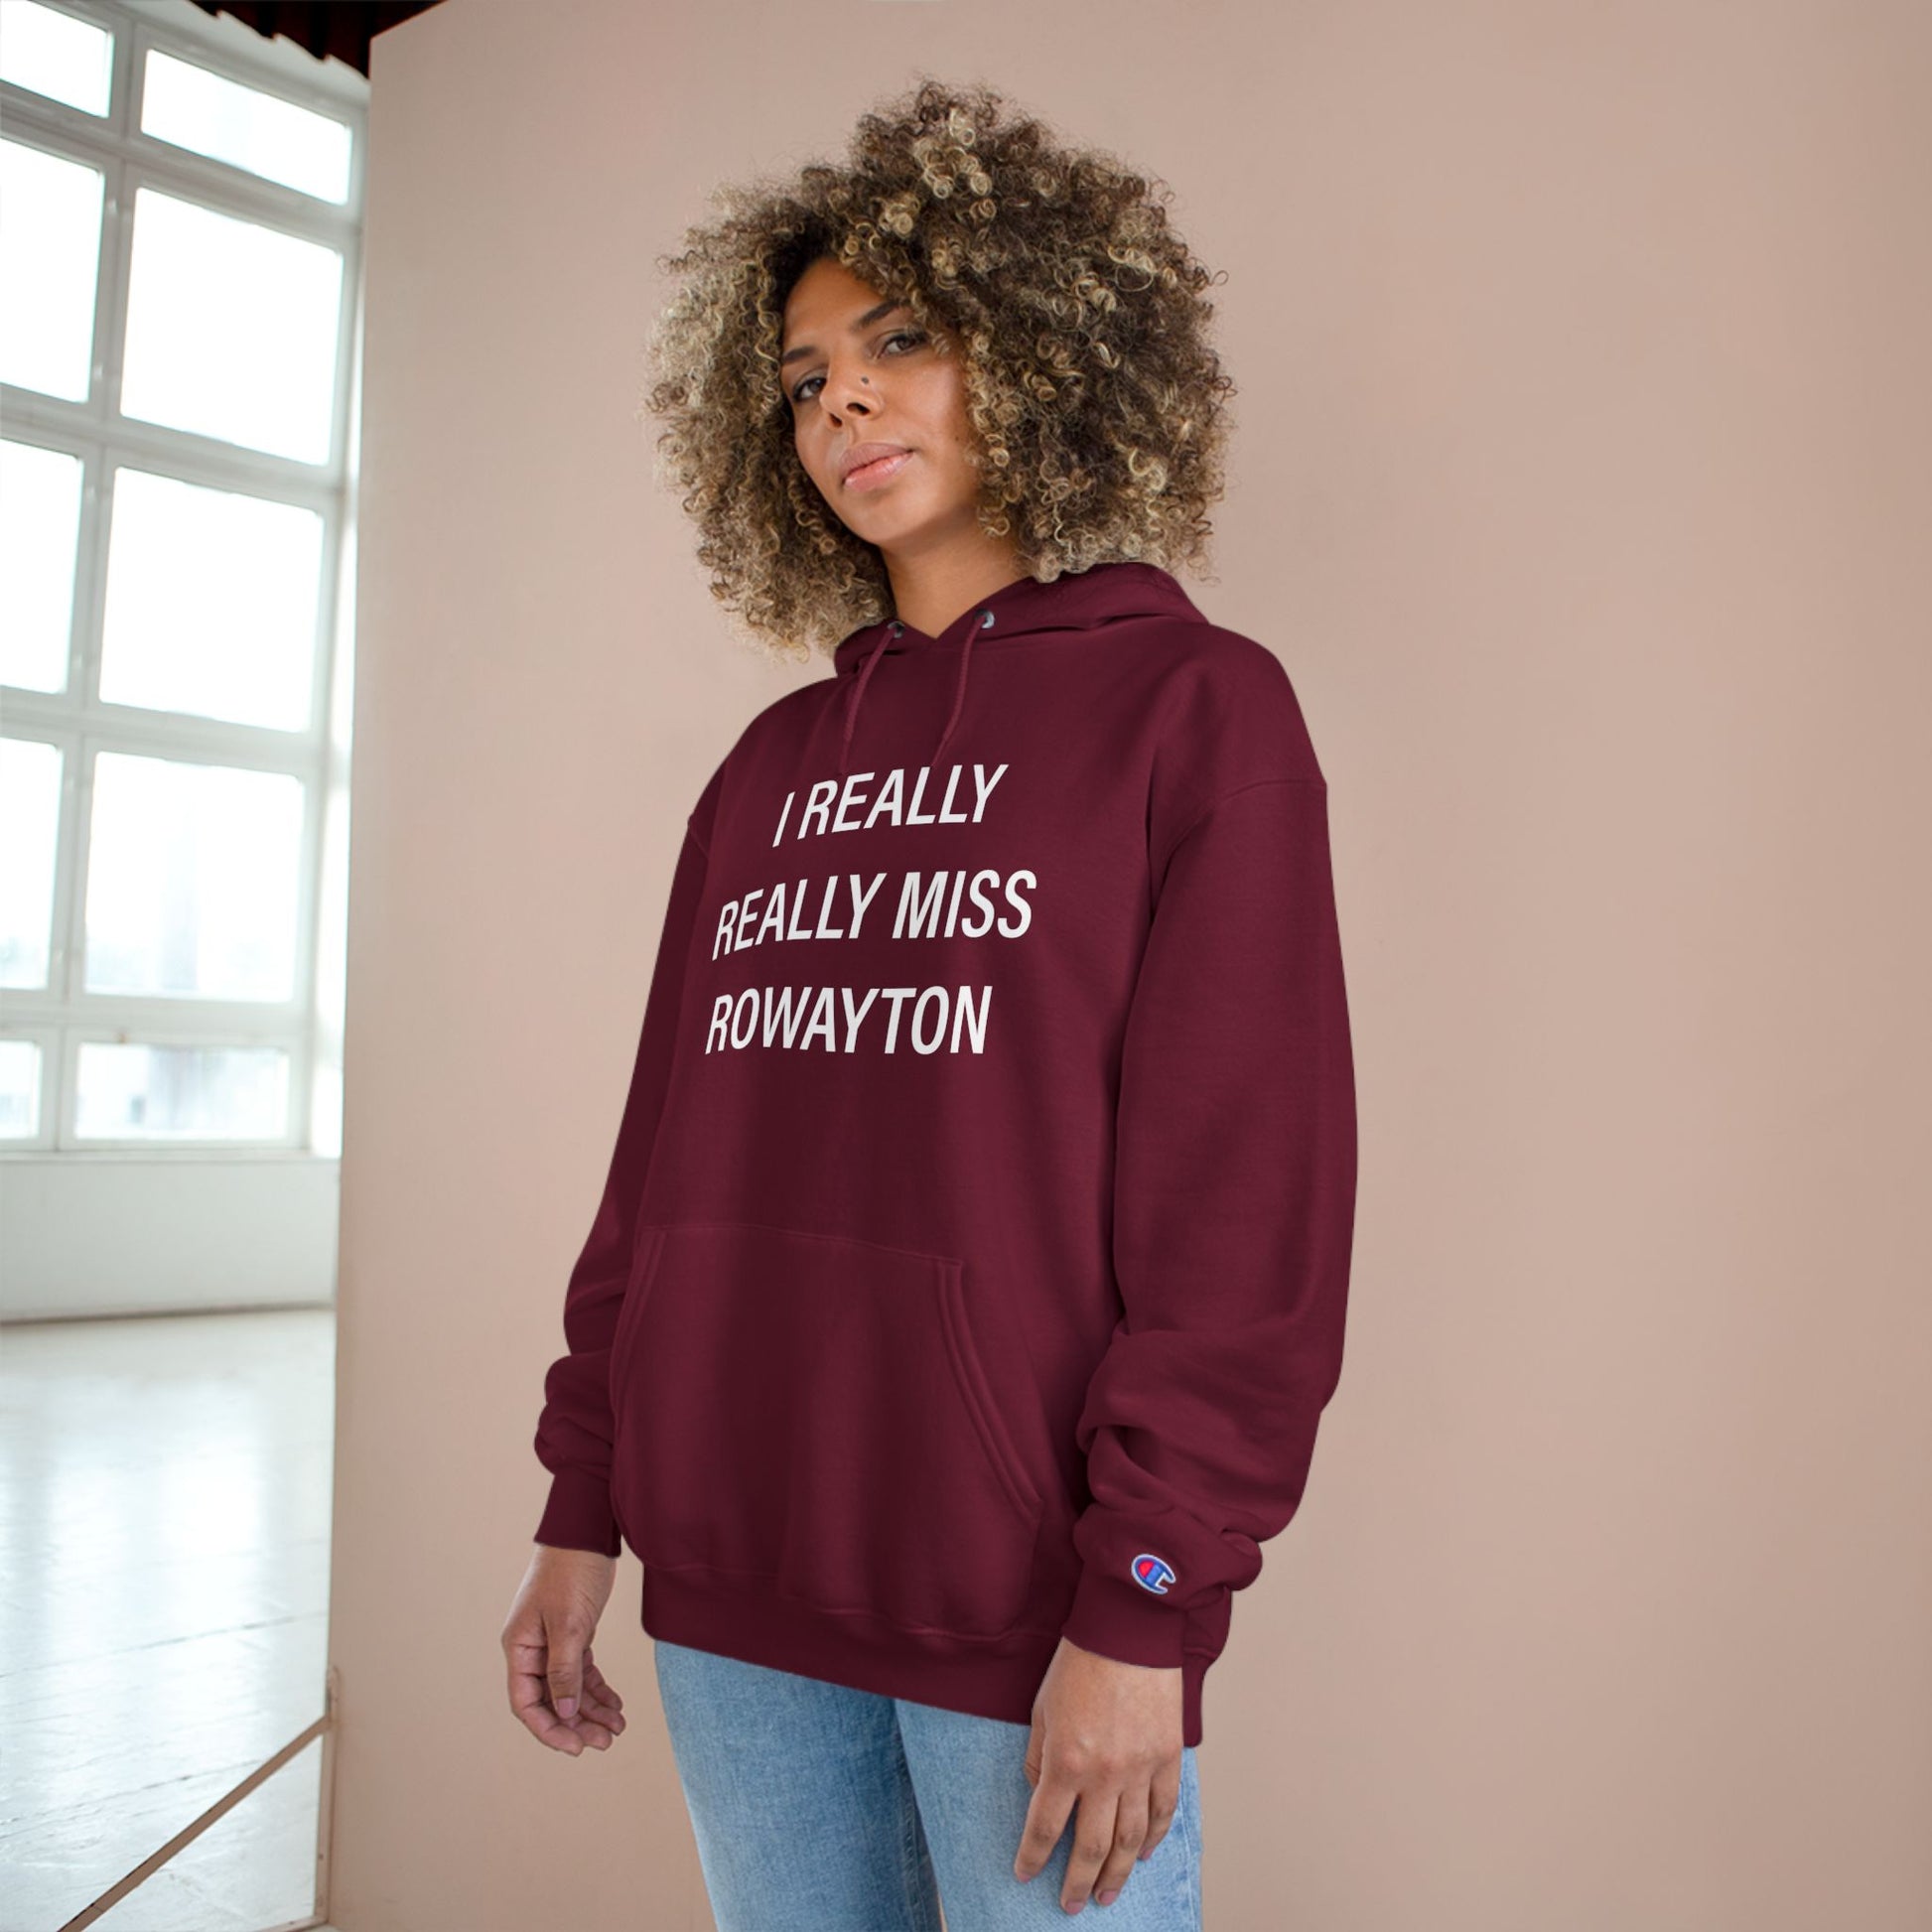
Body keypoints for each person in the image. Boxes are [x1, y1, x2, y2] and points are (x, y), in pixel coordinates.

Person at [500, 75, 1358, 1930]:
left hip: (1024, 1609)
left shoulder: (1195, 712)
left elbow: (1243, 1211)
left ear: (1040, 350)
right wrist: (585, 1501)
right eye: (804, 377)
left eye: (897, 342)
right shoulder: (766, 768)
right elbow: (659, 1168)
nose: (843, 403)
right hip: (727, 1589)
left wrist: (1147, 1599)